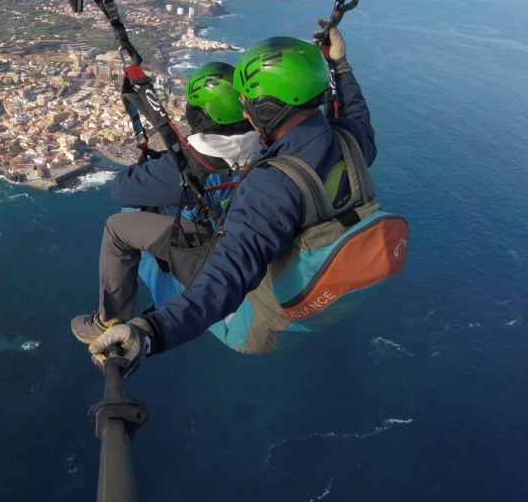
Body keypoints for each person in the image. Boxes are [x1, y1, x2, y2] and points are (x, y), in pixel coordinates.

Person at [79, 28, 377, 374]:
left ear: (268, 108)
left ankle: (109, 317)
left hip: (248, 323)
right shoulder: (350, 141)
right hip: (320, 295)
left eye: (250, 106)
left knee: (124, 221)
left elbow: (229, 277)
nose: (246, 115)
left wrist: (151, 332)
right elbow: (358, 117)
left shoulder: (270, 185)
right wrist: (341, 67)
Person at [70, 61, 263, 343]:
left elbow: (123, 189)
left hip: (207, 253)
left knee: (118, 225)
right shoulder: (268, 147)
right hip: (238, 241)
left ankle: (106, 320)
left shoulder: (188, 165)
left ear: (198, 115)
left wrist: (153, 166)